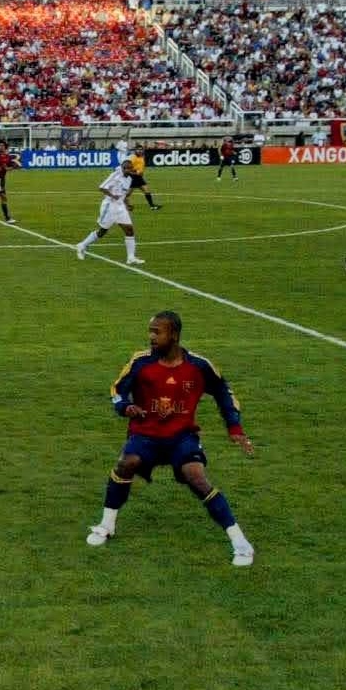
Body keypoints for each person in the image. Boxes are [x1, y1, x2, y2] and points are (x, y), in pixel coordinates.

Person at [85, 310, 257, 567]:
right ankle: (106, 525)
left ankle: (240, 542)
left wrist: (234, 428)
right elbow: (117, 390)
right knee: (126, 463)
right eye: (150, 331)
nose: (151, 337)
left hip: (181, 437)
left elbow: (223, 391)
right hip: (145, 434)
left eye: (157, 332)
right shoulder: (140, 362)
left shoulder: (198, 366)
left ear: (173, 335)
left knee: (196, 477)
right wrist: (125, 407)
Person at [74, 158, 143, 264]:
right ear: (123, 168)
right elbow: (101, 187)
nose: (129, 171)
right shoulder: (115, 176)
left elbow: (123, 194)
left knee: (129, 230)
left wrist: (128, 204)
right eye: (127, 169)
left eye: (130, 169)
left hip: (120, 207)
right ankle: (82, 245)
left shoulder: (129, 179)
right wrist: (112, 196)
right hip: (109, 206)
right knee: (102, 231)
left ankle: (131, 257)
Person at [122, 145, 160, 210]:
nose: (140, 151)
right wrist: (135, 172)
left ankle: (152, 206)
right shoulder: (132, 158)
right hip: (132, 178)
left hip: (139, 178)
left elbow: (141, 168)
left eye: (141, 149)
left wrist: (140, 173)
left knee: (147, 191)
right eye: (138, 150)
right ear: (135, 150)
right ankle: (125, 205)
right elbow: (126, 168)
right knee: (127, 194)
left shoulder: (142, 157)